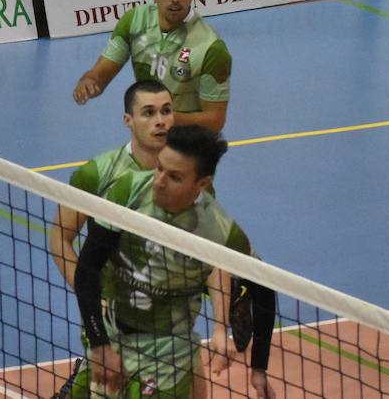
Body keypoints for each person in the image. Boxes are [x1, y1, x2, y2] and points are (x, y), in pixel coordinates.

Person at [73, 125, 276, 399]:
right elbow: (88, 268)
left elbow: (264, 288)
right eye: (159, 168)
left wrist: (259, 368)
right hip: (112, 333)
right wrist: (99, 345)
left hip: (168, 353)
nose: (159, 181)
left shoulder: (218, 229)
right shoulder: (128, 191)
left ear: (201, 184)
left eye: (174, 177)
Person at [73, 0, 231, 132]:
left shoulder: (211, 48)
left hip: (189, 141)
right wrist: (89, 81)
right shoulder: (134, 22)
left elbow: (215, 120)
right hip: (149, 137)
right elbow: (100, 76)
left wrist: (165, 118)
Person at [51, 80, 174, 288]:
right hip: (115, 300)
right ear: (128, 120)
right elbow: (60, 239)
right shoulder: (96, 173)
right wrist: (88, 295)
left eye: (166, 111)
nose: (160, 121)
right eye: (149, 113)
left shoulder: (191, 171)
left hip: (174, 301)